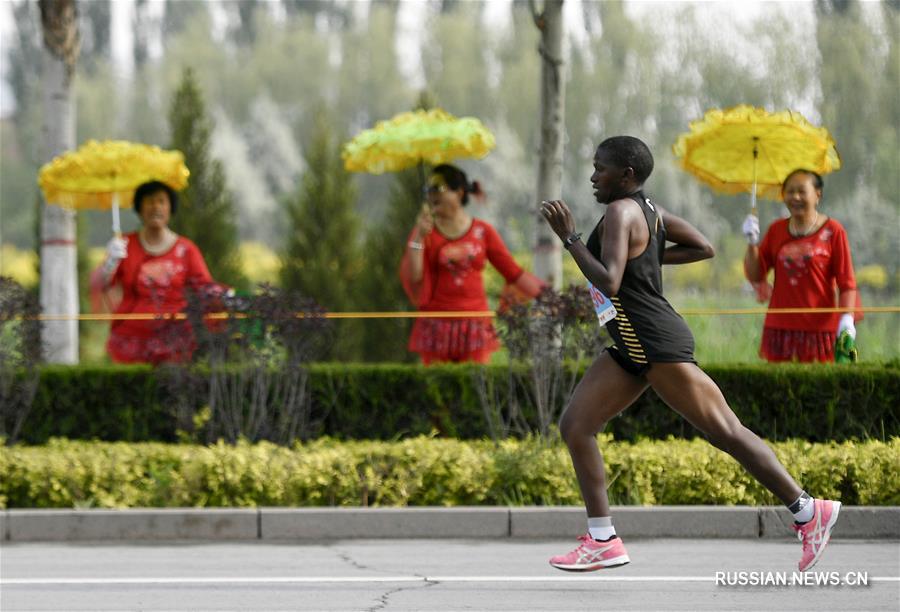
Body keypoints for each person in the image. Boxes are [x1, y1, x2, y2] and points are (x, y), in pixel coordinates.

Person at [540, 136, 840, 573]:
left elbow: (608, 281)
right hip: (631, 345)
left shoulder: (621, 211)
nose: (592, 176)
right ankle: (602, 538)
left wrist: (571, 239)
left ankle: (807, 510)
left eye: (599, 167)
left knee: (726, 431)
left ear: (627, 175)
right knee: (576, 425)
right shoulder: (651, 211)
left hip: (655, 342)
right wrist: (647, 255)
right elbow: (703, 246)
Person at [399, 164, 544, 365]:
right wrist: (419, 235)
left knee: (478, 390)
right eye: (428, 190)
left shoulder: (483, 231)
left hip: (475, 327)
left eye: (438, 188)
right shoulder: (425, 232)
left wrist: (548, 297)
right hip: (436, 327)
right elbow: (414, 276)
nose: (431, 195)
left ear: (458, 193)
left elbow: (513, 273)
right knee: (437, 392)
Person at [92, 180, 222, 364]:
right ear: (139, 208)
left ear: (170, 207)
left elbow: (205, 288)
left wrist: (227, 298)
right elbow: (102, 285)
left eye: (162, 201)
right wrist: (109, 264)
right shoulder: (124, 245)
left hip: (175, 343)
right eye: (149, 201)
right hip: (129, 344)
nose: (156, 207)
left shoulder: (186, 249)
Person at [742, 169, 861, 362]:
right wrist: (751, 242)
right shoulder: (776, 230)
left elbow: (847, 283)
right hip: (780, 331)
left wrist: (847, 319)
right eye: (789, 191)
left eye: (801, 191)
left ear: (817, 195)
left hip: (821, 332)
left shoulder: (833, 231)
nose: (795, 197)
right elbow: (756, 275)